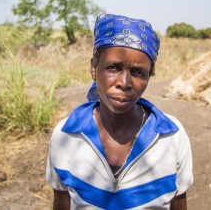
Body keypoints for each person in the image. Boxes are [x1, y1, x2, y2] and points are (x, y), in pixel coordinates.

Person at [46, 14, 193, 210]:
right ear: (93, 69)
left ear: (149, 77)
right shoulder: (65, 135)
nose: (124, 83)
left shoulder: (172, 136)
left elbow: (179, 203)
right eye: (113, 68)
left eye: (138, 72)